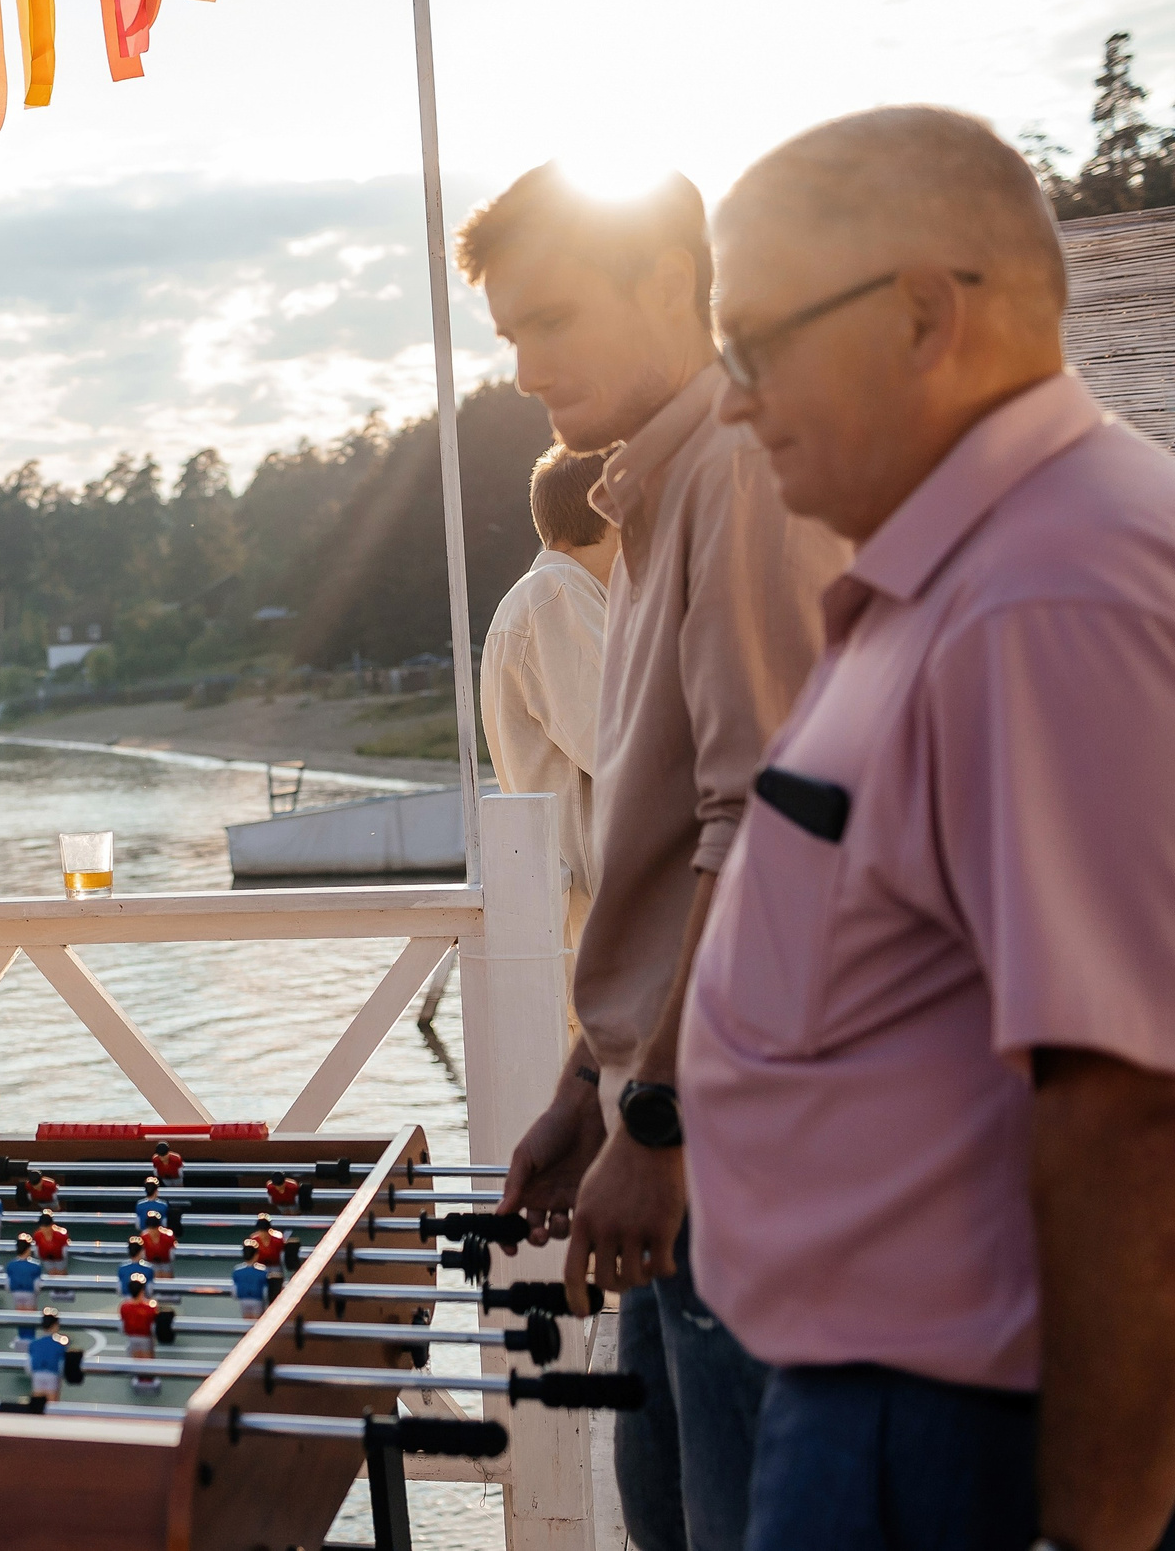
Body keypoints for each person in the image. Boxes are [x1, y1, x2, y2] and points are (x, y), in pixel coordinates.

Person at [688, 107, 1175, 1551]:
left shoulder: (1051, 593)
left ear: (917, 315)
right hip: (890, 1411)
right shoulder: (967, 574)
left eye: (753, 344)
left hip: (958, 1436)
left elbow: (1130, 1098)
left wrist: (1091, 1530)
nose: (732, 400)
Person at [459, 163, 847, 1551]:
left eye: (550, 319)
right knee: (668, 1518)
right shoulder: (656, 490)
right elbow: (658, 834)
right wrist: (586, 1078)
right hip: (661, 1113)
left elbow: (770, 825)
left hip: (732, 1134)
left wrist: (659, 1115)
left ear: (670, 285)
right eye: (508, 335)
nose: (522, 368)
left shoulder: (742, 471)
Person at [479, 444, 615, 956]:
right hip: (597, 922)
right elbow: (627, 749)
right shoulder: (556, 598)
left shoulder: (554, 595)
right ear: (611, 511)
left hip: (580, 918)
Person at [26, 1312, 71, 1401]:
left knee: (38, 1401)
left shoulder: (34, 1344)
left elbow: (29, 1365)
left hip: (37, 1374)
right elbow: (61, 1365)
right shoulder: (59, 1345)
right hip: (52, 1374)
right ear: (55, 1325)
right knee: (52, 1402)